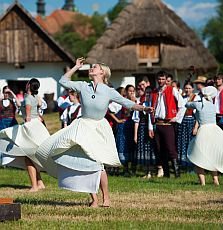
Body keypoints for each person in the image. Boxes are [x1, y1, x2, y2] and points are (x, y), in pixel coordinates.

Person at [35, 57, 153, 208]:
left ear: (102, 72)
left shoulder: (109, 91)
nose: (91, 68)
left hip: (98, 128)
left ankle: (106, 198)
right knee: (86, 163)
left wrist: (143, 108)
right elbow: (63, 81)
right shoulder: (83, 86)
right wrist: (76, 67)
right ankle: (94, 200)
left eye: (95, 67)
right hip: (82, 126)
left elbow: (127, 103)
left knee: (98, 164)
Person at [0, 78, 50, 192]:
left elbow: (27, 117)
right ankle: (40, 182)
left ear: (28, 85)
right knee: (32, 155)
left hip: (30, 126)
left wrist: (24, 130)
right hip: (37, 125)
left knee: (28, 156)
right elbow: (39, 108)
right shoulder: (36, 97)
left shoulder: (27, 97)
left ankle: (34, 186)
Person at [186, 86, 223, 185]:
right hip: (214, 130)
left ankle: (203, 183)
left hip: (204, 130)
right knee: (212, 156)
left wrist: (194, 96)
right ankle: (216, 180)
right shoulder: (212, 105)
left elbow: (187, 104)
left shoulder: (198, 105)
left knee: (199, 157)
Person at [149, 70, 185, 178]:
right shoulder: (154, 92)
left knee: (171, 148)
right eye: (159, 79)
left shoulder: (172, 90)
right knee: (160, 149)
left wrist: (176, 118)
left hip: (168, 124)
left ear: (166, 80)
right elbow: (151, 110)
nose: (161, 81)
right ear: (157, 80)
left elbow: (182, 105)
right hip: (158, 124)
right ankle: (167, 174)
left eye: (163, 79)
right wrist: (150, 127)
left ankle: (177, 174)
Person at [133, 86, 156, 178]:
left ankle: (154, 171)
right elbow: (136, 120)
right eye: (147, 93)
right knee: (144, 150)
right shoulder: (141, 105)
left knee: (151, 150)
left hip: (152, 129)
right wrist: (135, 135)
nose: (148, 95)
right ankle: (147, 172)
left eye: (150, 93)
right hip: (142, 129)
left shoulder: (155, 104)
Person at [177, 81, 198, 170]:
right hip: (183, 122)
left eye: (189, 88)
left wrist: (196, 127)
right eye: (186, 88)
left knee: (191, 143)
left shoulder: (196, 98)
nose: (188, 90)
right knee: (182, 142)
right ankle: (183, 164)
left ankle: (192, 166)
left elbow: (198, 114)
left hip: (191, 122)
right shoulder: (182, 98)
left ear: (193, 89)